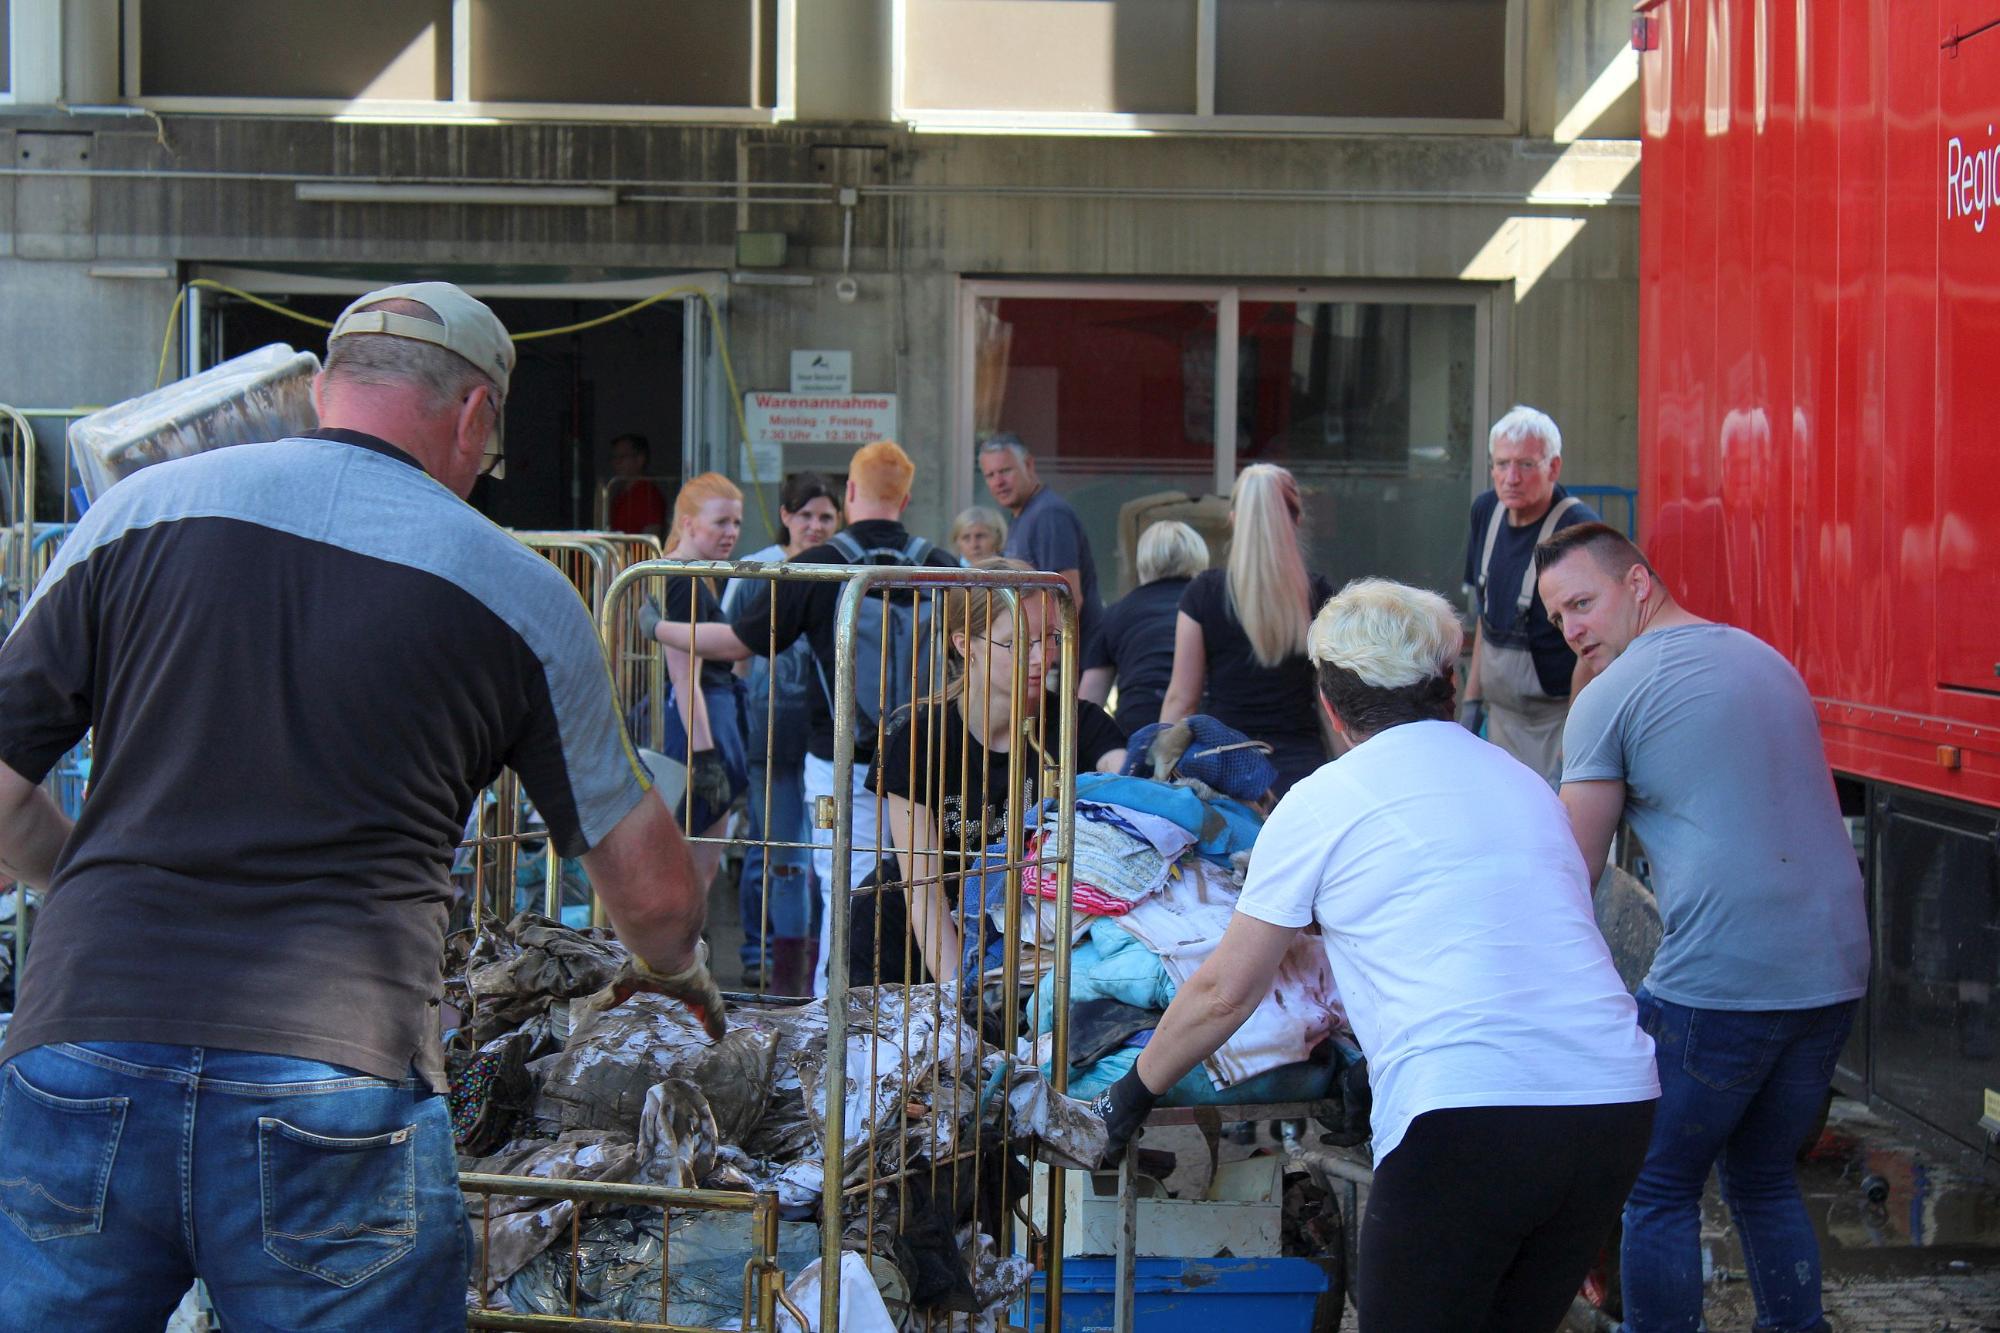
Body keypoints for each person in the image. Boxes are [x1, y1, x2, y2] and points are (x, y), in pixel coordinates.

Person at [0, 282, 719, 1328]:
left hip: (82, 1047)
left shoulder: (137, 510)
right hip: (332, 1078)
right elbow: (652, 896)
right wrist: (679, 976)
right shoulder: (517, 589)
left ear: (327, 388)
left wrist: (78, 887)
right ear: (476, 415)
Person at [1096, 577, 1659, 1333]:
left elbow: (1226, 989)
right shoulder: (1526, 785)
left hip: (1469, 1109)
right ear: (1451, 684)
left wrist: (1128, 1095)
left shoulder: (1328, 798)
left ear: (1329, 704)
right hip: (1613, 1103)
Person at [1535, 522, 1871, 1333]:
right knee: (1760, 1175)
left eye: (1583, 603)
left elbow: (1569, 871)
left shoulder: (1611, 696)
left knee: (1656, 1184)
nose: (1574, 629)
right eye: (1557, 620)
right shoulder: (1766, 658)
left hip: (1724, 978)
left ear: (1639, 584)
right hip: (1836, 966)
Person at [650, 440, 961, 994]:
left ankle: (834, 1027)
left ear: (849, 494)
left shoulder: (817, 566)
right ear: (907, 497)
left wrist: (654, 626)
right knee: (922, 892)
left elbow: (735, 644)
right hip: (924, 764)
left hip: (837, 761)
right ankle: (916, 1019)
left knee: (841, 893)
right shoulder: (944, 567)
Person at [871, 558, 1129, 986]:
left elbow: (1118, 770)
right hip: (920, 948)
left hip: (1040, 950)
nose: (1041, 657)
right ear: (964, 644)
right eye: (1018, 642)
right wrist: (962, 997)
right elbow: (925, 892)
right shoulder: (915, 738)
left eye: (1050, 638)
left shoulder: (1080, 723)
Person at [723, 472, 841, 992]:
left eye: (826, 517)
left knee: (817, 857)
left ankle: (802, 965)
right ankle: (765, 956)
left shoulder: (840, 567)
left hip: (822, 736)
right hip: (767, 730)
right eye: (806, 515)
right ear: (787, 516)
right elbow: (735, 653)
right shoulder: (758, 569)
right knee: (772, 851)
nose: (815, 525)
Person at [1158, 463, 1332, 799]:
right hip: (1301, 773)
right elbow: (1330, 703)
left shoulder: (1203, 594)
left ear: (1235, 519)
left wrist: (1158, 773)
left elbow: (1182, 699)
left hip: (1225, 770)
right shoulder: (1320, 598)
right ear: (1296, 520)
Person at [1459, 405, 1599, 785]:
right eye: (1501, 464)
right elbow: (1485, 625)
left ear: (1553, 468)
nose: (1511, 478)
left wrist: (1574, 742)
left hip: (1557, 721)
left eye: (1525, 465)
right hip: (1500, 721)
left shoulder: (1577, 529)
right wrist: (1470, 709)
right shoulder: (1486, 512)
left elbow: (1593, 645)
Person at [656, 472, 749, 897]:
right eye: (721, 523)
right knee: (689, 870)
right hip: (700, 724)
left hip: (710, 719)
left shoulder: (693, 573)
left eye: (736, 523)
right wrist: (706, 754)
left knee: (697, 871)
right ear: (689, 522)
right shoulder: (681, 578)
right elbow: (682, 676)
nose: (731, 533)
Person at [1079, 519, 1208, 734]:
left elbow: (1087, 705)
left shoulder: (1116, 613)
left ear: (1141, 561)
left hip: (1138, 728)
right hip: (1204, 727)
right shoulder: (1209, 607)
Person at [977, 433, 1103, 647]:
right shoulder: (1023, 514)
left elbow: (1069, 597)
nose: (998, 482)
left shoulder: (1049, 515)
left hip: (1068, 660)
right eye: (990, 475)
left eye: (1005, 471)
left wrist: (1048, 659)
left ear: (1028, 464)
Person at [607, 432, 669, 538]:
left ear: (640, 460)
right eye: (614, 457)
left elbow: (651, 536)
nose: (617, 462)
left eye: (622, 457)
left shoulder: (648, 495)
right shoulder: (620, 493)